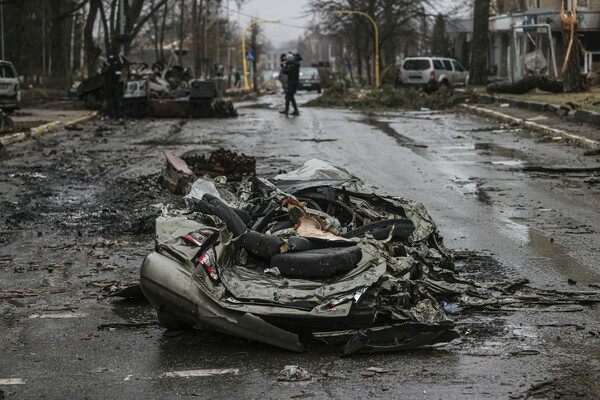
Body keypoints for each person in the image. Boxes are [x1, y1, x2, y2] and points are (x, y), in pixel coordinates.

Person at [101, 54, 125, 120]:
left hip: (109, 86)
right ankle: (118, 115)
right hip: (116, 85)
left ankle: (111, 115)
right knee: (116, 100)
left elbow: (103, 73)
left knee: (109, 101)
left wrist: (104, 67)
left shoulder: (111, 68)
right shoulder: (119, 68)